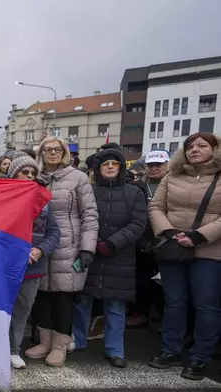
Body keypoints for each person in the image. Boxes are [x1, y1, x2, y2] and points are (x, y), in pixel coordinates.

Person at [148, 133, 221, 381]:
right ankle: (170, 350)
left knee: (206, 305)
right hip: (175, 247)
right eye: (190, 146)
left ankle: (200, 358)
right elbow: (156, 207)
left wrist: (198, 236)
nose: (195, 150)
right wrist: (170, 232)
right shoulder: (173, 175)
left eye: (202, 145)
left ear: (215, 149)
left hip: (209, 250)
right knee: (175, 301)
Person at [25, 137, 98, 367]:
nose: (53, 153)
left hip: (69, 245)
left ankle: (60, 345)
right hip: (41, 244)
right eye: (48, 149)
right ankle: (45, 342)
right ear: (42, 153)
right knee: (43, 296)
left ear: (65, 152)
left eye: (57, 149)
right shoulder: (37, 178)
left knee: (63, 297)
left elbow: (89, 215)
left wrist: (87, 247)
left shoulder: (78, 178)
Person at [72, 148, 147, 368]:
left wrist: (111, 243)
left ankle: (115, 350)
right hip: (90, 253)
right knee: (83, 300)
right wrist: (89, 244)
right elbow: (79, 218)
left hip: (119, 255)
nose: (111, 167)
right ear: (98, 168)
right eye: (106, 164)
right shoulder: (89, 191)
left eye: (115, 163)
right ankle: (78, 340)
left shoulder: (134, 193)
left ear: (121, 167)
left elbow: (137, 224)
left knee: (115, 305)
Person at [6, 155, 60, 370]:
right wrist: (17, 251)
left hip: (32, 266)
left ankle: (13, 350)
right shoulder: (1, 197)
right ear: (13, 175)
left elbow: (54, 233)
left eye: (33, 173)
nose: (29, 176)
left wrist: (39, 249)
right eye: (24, 172)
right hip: (5, 267)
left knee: (21, 311)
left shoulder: (44, 201)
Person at [127, 150, 169, 329]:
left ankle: (161, 314)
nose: (154, 169)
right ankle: (141, 314)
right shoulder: (137, 186)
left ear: (167, 166)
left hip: (167, 241)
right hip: (141, 241)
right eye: (150, 165)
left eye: (158, 165)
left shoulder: (173, 184)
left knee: (165, 283)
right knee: (142, 280)